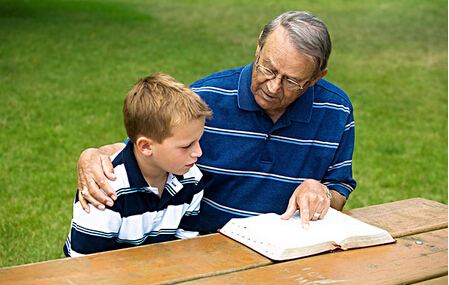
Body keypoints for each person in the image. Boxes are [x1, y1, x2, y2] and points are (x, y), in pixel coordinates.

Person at [76, 11, 356, 232]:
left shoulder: (337, 109)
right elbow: (147, 152)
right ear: (258, 45)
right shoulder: (205, 98)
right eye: (268, 69)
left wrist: (323, 193)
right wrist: (94, 154)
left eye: (292, 81)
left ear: (317, 78)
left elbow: (339, 185)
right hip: (207, 246)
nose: (273, 87)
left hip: (290, 246)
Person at [64, 73, 213, 257]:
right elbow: (85, 266)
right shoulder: (105, 190)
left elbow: (185, 250)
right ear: (146, 146)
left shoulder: (192, 180)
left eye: (198, 140)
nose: (198, 152)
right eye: (186, 145)